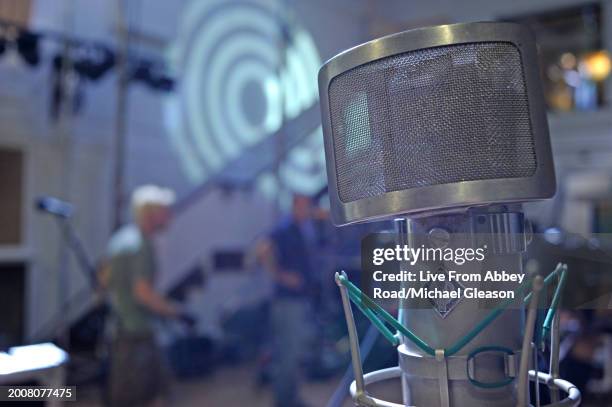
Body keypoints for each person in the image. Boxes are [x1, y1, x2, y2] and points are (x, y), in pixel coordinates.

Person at [104, 185, 194, 407]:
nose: (170, 217)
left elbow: (104, 280)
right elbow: (142, 292)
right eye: (165, 211)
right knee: (137, 396)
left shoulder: (122, 238)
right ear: (151, 214)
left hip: (122, 328)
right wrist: (175, 312)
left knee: (145, 392)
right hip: (136, 333)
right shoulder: (140, 245)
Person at [258, 195, 318, 407]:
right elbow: (262, 251)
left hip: (299, 300)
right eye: (304, 206)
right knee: (287, 355)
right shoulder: (285, 228)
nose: (308, 210)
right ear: (295, 207)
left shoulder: (304, 228)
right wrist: (281, 276)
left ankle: (291, 398)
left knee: (293, 354)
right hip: (287, 302)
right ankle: (284, 401)